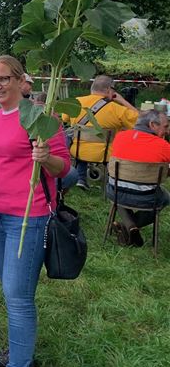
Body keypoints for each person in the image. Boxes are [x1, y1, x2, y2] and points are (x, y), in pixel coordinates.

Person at [0, 55, 70, 367]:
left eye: (4, 79)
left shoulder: (42, 119)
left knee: (18, 295)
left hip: (29, 216)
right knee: (11, 289)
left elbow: (62, 168)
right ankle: (18, 349)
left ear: (20, 80)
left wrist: (45, 157)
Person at [106, 109, 170, 246]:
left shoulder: (120, 137)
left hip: (115, 192)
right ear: (152, 125)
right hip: (147, 197)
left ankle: (128, 226)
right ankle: (128, 226)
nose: (168, 131)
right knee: (165, 197)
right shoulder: (164, 146)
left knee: (120, 187)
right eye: (165, 127)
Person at [65, 75, 138, 190]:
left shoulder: (76, 102)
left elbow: (65, 119)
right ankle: (110, 181)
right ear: (109, 90)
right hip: (105, 154)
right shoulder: (116, 108)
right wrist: (122, 100)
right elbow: (140, 121)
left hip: (78, 150)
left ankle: (81, 178)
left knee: (80, 142)